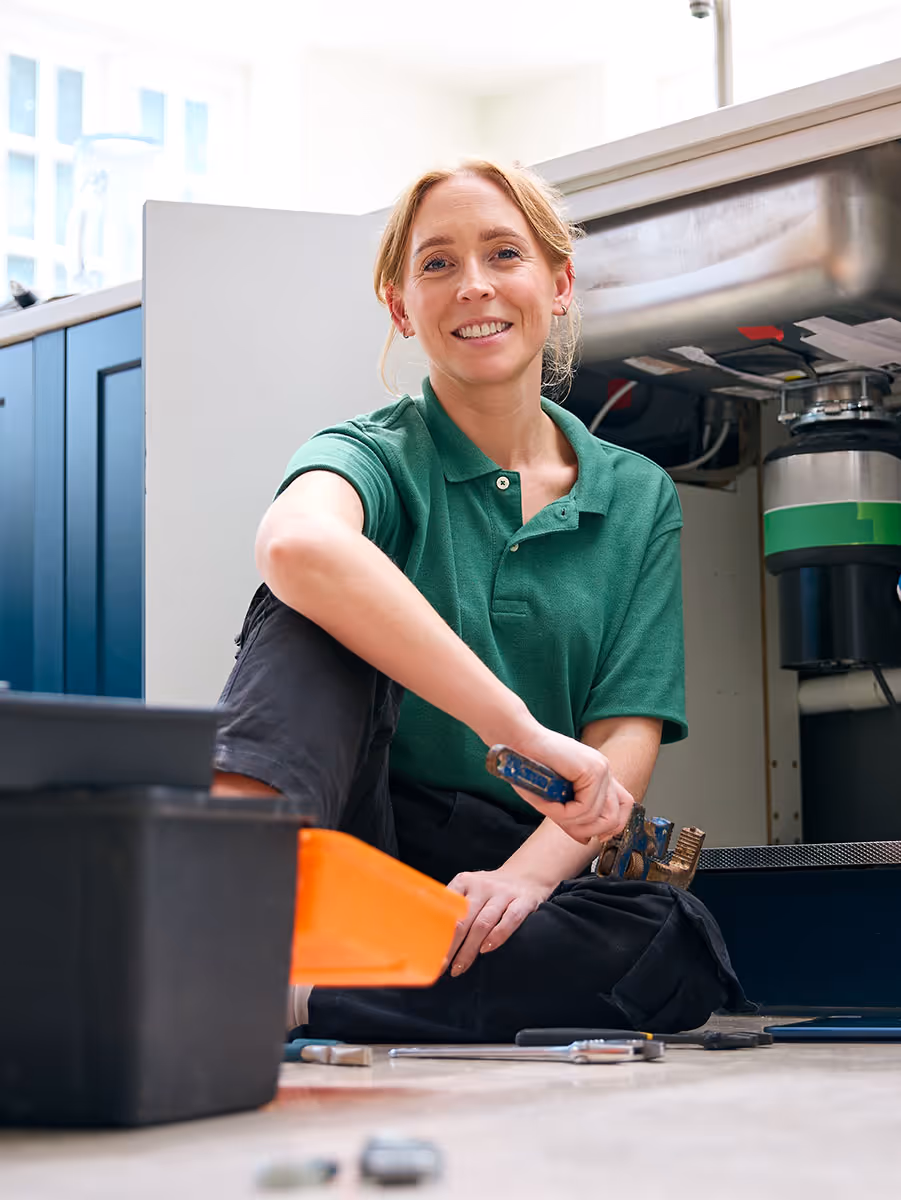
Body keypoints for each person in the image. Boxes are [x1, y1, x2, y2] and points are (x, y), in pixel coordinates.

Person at [211, 159, 746, 1042]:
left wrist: (529, 880)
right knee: (312, 602)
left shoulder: (638, 494)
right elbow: (298, 542)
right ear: (399, 306)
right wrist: (517, 729)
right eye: (436, 264)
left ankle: (299, 995)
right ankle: (219, 908)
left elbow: (624, 736)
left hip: (499, 859)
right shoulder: (372, 453)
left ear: (558, 283)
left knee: (668, 945)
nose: (473, 287)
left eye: (504, 253)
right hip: (354, 832)